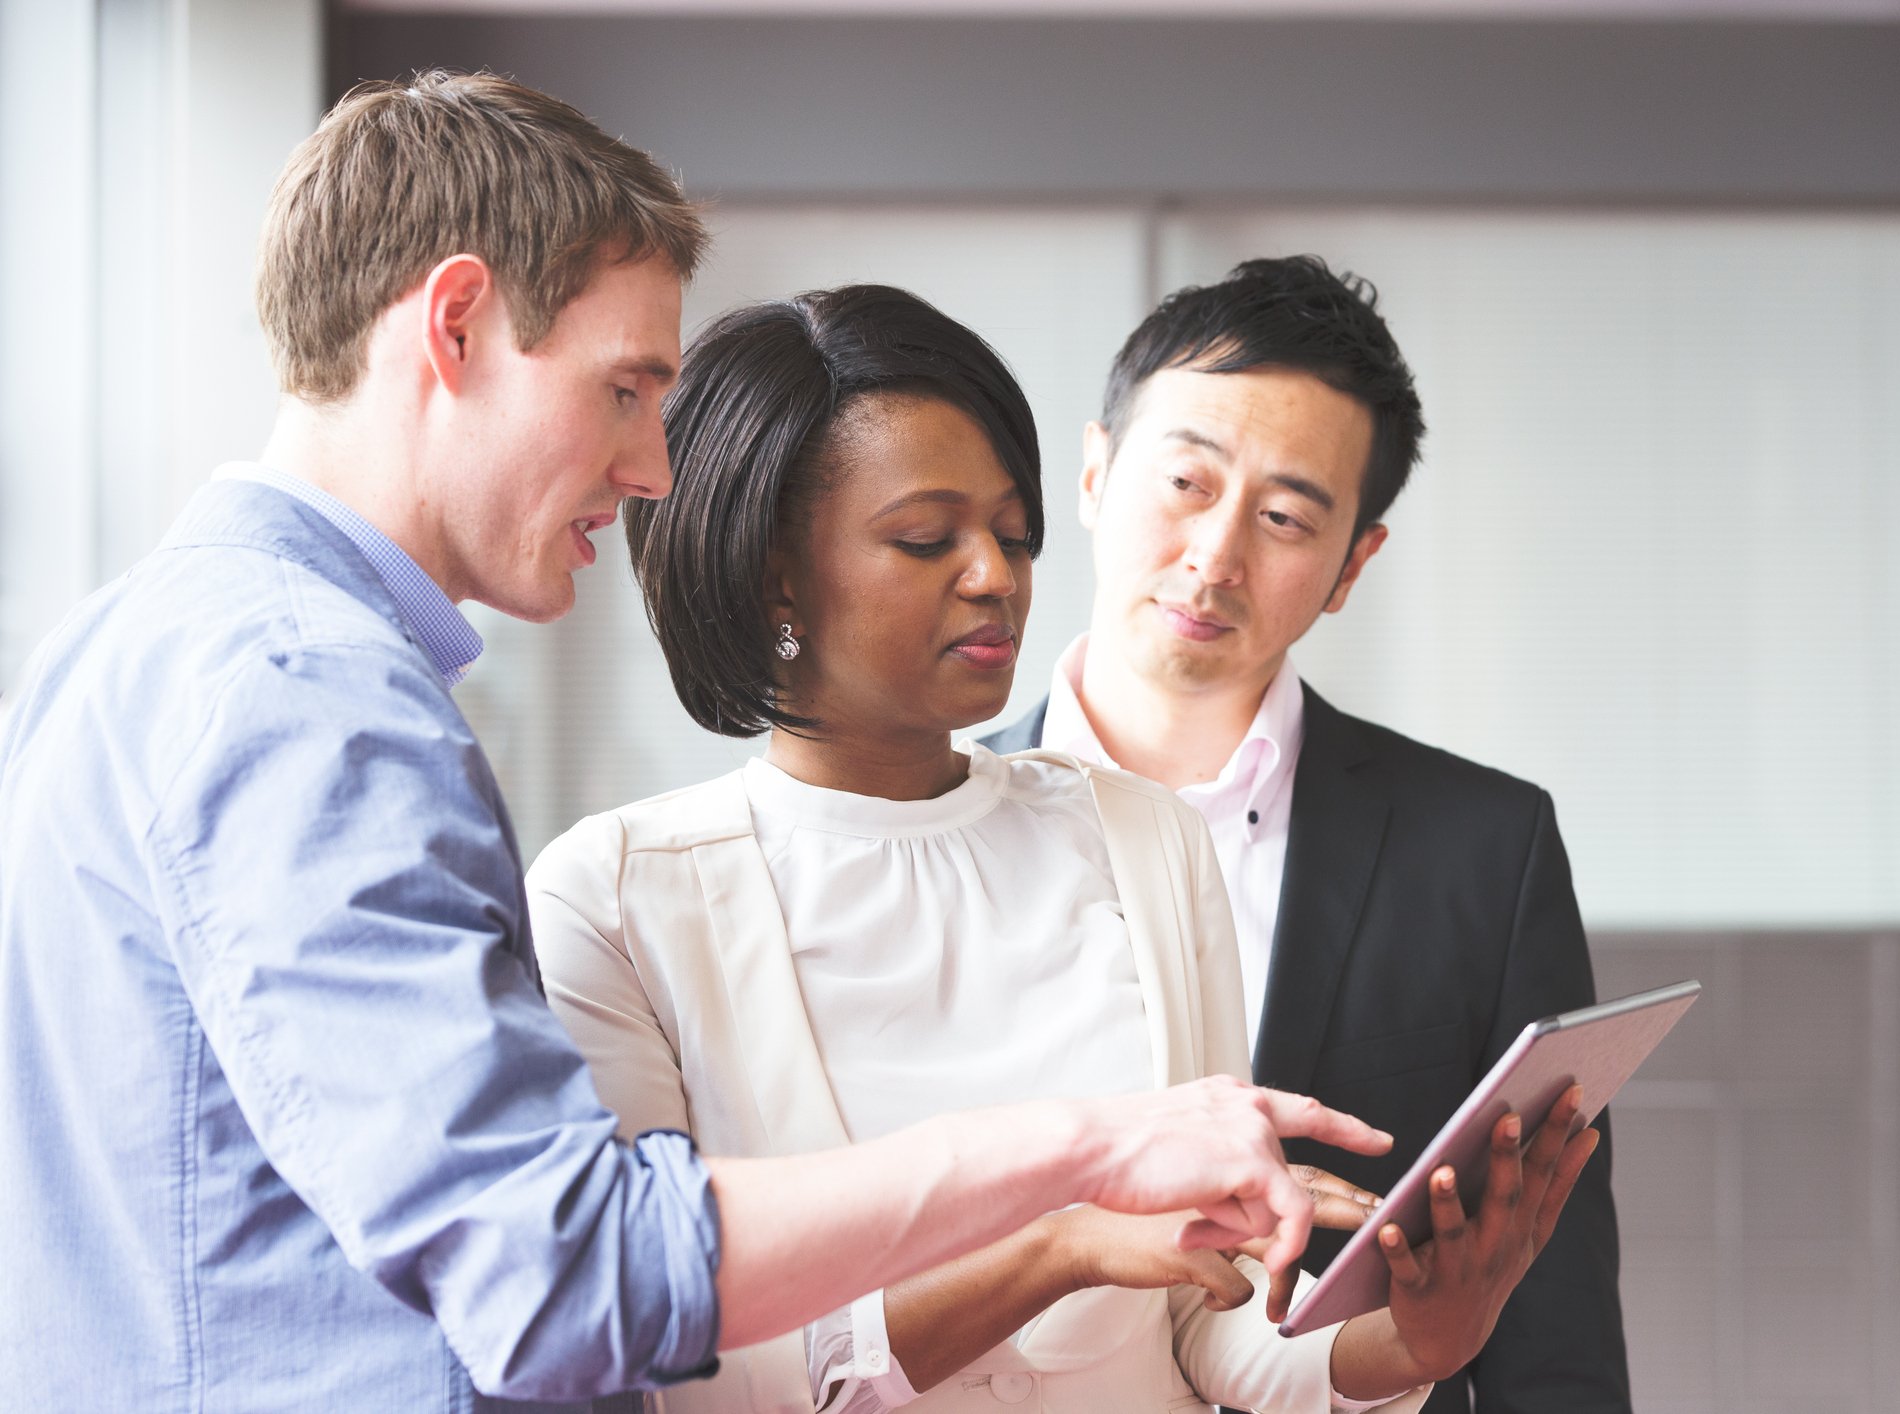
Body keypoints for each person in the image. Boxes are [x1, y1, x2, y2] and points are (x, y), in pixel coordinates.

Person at [0, 79, 1396, 1413]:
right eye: (624, 390)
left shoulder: (136, 647)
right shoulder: (309, 692)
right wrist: (1086, 1153)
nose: (655, 467)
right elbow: (562, 1266)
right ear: (458, 325)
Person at [527, 283, 1600, 1414]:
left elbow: (1211, 1322)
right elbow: (689, 1372)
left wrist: (1404, 1345)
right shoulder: (617, 900)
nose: (996, 575)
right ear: (772, 573)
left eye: (1011, 530)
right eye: (926, 539)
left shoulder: (1142, 839)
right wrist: (1060, 1246)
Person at [983, 255, 1632, 1414]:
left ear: (1351, 566)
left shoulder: (1484, 851)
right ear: (1091, 472)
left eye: (1285, 517)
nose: (1217, 555)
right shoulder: (937, 821)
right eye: (1187, 479)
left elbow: (1557, 1336)